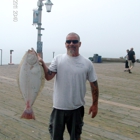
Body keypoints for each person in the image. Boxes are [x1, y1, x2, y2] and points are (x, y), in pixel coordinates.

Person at [39, 32, 99, 140]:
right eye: (68, 41)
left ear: (79, 44)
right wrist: (42, 63)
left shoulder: (87, 63)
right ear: (65, 44)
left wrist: (95, 105)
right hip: (58, 107)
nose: (71, 43)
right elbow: (49, 76)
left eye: (74, 41)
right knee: (55, 137)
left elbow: (94, 85)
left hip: (77, 108)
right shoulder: (58, 59)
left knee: (75, 137)